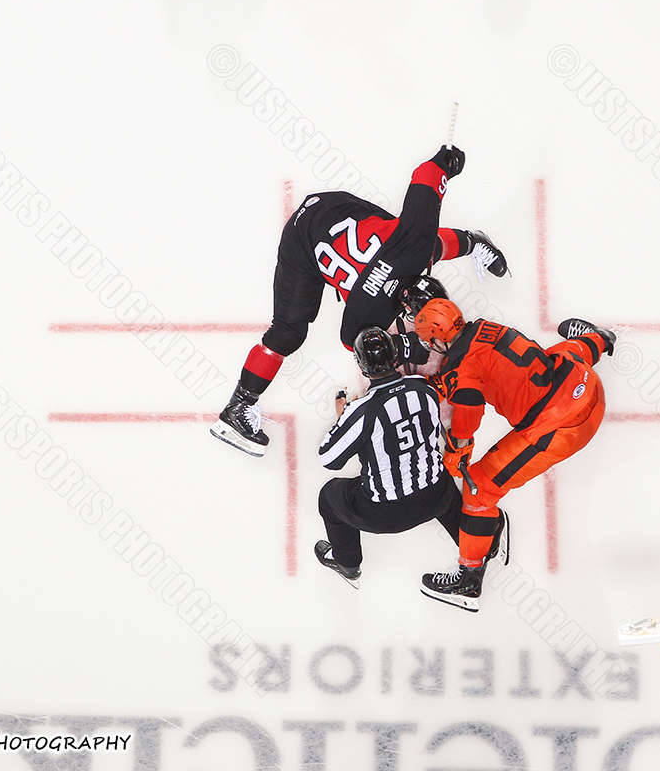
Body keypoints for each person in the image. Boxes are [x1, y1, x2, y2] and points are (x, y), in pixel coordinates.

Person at [210, 147, 509, 457]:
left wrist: (444, 164)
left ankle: (474, 241)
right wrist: (408, 346)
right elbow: (354, 342)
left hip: (332, 206)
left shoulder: (413, 253)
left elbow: (426, 179)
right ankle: (239, 406)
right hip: (303, 241)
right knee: (288, 332)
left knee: (416, 239)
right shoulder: (370, 312)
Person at [411, 298, 615, 611]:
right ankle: (600, 339)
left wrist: (457, 451)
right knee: (555, 356)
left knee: (479, 488)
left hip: (563, 424)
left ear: (438, 339)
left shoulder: (462, 367)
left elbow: (468, 409)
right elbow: (476, 370)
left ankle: (468, 577)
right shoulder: (485, 327)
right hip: (584, 382)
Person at [313, 326, 463, 588]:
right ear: (395, 356)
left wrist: (343, 418)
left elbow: (329, 458)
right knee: (440, 481)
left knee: (328, 496)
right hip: (437, 498)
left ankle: (348, 564)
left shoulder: (360, 412)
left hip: (385, 515)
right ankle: (477, 543)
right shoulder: (424, 390)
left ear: (362, 366)